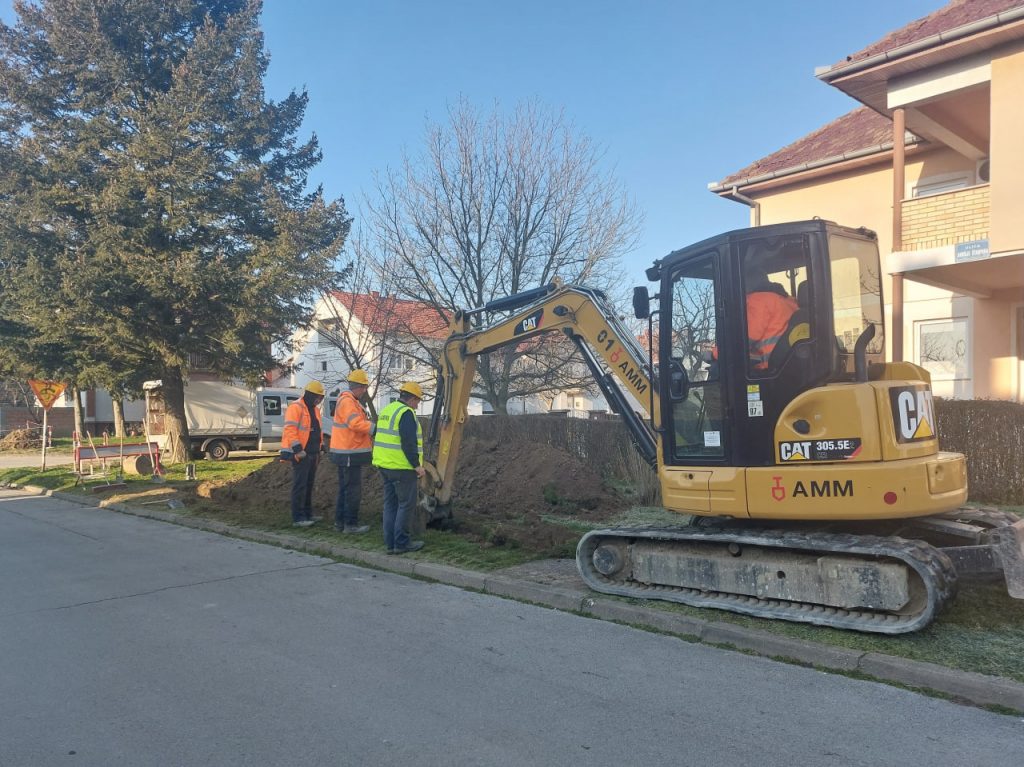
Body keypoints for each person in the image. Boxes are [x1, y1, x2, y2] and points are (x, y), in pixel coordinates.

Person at [371, 381, 426, 555]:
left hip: (384, 465)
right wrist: (417, 466)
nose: (417, 405)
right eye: (418, 401)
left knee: (390, 505)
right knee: (405, 505)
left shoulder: (388, 410)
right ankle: (401, 543)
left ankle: (390, 543)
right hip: (402, 468)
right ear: (412, 398)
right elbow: (408, 443)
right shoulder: (406, 413)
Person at [329, 369, 373, 534]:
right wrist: (373, 428)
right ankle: (350, 525)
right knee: (352, 491)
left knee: (345, 489)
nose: (365, 391)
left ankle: (340, 523)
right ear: (360, 387)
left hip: (346, 453)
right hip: (349, 453)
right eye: (364, 388)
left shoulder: (349, 401)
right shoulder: (348, 402)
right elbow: (355, 424)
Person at [281, 381, 325, 527]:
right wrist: (298, 450)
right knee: (300, 486)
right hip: (301, 454)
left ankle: (307, 514)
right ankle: (298, 517)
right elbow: (290, 430)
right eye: (318, 397)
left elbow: (316, 430)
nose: (319, 400)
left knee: (308, 485)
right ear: (310, 395)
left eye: (321, 398)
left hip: (312, 454)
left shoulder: (314, 409)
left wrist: (321, 447)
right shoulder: (296, 407)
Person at [746, 271, 798, 371]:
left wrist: (715, 354)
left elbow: (744, 340)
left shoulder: (757, 301)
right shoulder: (788, 300)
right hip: (789, 362)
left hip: (769, 367)